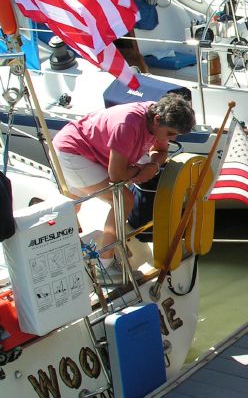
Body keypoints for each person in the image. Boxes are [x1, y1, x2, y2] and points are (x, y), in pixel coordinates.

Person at [53, 93, 196, 274]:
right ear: (157, 119)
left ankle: (65, 243)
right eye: (170, 134)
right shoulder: (127, 125)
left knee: (75, 200)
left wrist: (153, 166)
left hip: (95, 152)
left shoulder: (157, 118)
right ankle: (105, 265)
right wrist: (141, 171)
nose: (173, 139)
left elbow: (160, 151)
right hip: (73, 152)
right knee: (124, 200)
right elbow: (117, 175)